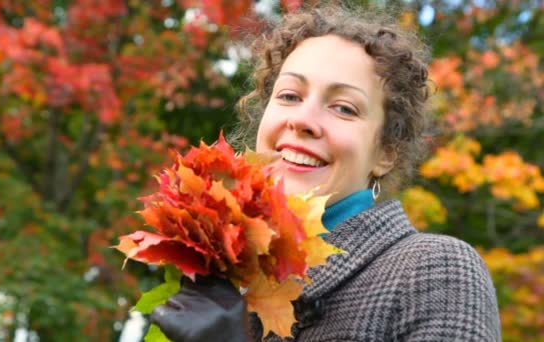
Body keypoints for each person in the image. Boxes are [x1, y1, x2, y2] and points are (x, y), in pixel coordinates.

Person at [150, 2, 501, 341]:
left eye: (344, 108)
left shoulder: (435, 271)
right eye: (289, 96)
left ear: (385, 153)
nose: (302, 119)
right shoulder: (224, 277)